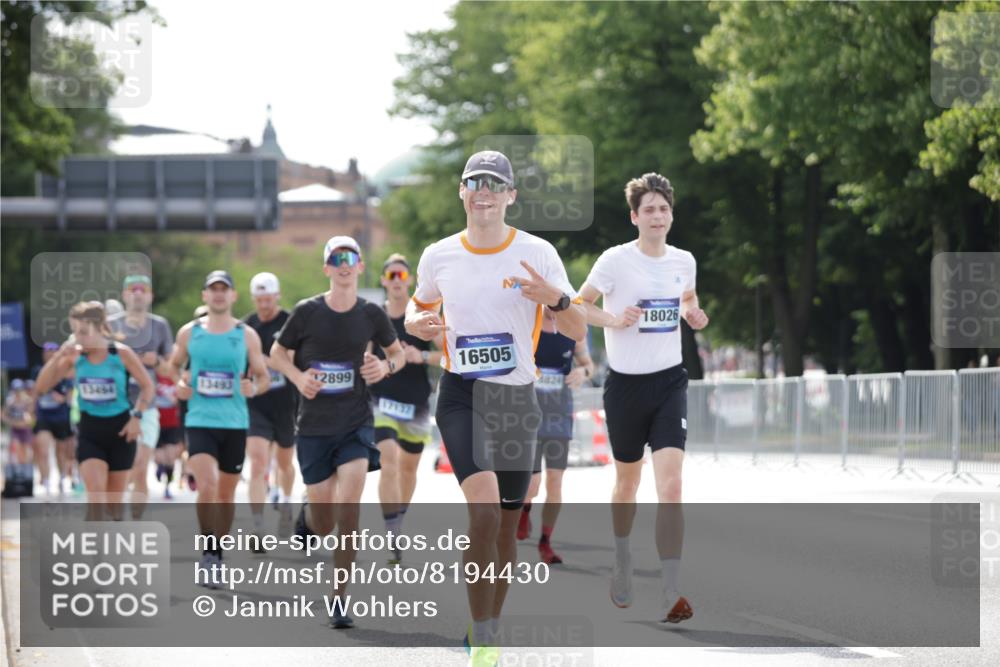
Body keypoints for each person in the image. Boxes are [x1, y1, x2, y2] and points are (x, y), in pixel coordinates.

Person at [405, 150, 586, 662]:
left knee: (507, 524)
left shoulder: (537, 253)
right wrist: (416, 325)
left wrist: (556, 298)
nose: (483, 190)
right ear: (461, 192)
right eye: (473, 181)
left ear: (510, 196)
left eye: (495, 183)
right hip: (462, 393)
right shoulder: (438, 255)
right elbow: (417, 315)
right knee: (482, 514)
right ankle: (482, 637)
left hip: (515, 399)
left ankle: (487, 624)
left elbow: (575, 331)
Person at [578, 172, 708, 624]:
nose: (657, 216)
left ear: (672, 215)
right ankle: (622, 559)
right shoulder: (615, 261)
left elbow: (687, 297)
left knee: (671, 484)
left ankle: (670, 589)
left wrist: (693, 313)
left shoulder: (683, 261)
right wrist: (612, 320)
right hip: (626, 387)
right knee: (628, 483)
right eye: (648, 209)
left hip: (670, 382)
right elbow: (579, 305)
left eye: (663, 208)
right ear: (635, 217)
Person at [270, 235, 406, 629]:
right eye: (336, 257)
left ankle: (339, 599)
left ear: (361, 266)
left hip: (355, 424)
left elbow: (395, 353)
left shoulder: (371, 313)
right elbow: (278, 354)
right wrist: (298, 378)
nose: (344, 263)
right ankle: (308, 519)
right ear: (327, 267)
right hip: (313, 427)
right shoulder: (307, 311)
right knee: (325, 520)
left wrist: (385, 367)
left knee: (349, 510)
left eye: (351, 257)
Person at [170, 270, 270, 588]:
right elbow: (173, 366)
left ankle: (219, 551)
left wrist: (252, 388)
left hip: (235, 422)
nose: (217, 294)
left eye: (223, 289)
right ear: (204, 296)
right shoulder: (189, 333)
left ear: (233, 296)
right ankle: (209, 554)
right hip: (200, 419)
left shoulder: (246, 335)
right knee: (208, 485)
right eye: (212, 289)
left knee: (226, 494)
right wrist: (179, 384)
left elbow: (263, 376)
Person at [35, 302, 154, 519]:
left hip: (121, 432)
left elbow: (147, 386)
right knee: (96, 498)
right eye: (74, 332)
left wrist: (137, 416)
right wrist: (59, 356)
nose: (78, 337)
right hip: (91, 432)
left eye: (83, 332)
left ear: (99, 328)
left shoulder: (121, 354)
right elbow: (41, 387)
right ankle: (96, 551)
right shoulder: (75, 356)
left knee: (114, 506)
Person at [370, 253, 443, 564]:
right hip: (380, 399)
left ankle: (398, 520)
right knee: (388, 460)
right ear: (385, 282)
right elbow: (362, 352)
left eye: (402, 275)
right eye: (391, 276)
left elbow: (447, 355)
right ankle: (390, 530)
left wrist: (421, 357)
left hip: (414, 399)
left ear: (410, 280)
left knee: (409, 468)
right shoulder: (374, 316)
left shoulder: (423, 315)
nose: (397, 281)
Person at [517, 309, 595, 564]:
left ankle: (545, 542)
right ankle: (524, 510)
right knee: (532, 485)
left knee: (555, 482)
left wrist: (583, 373)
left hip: (559, 414)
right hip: (529, 415)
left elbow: (589, 365)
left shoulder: (573, 329)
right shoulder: (529, 323)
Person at [108, 274, 174, 519]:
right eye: (132, 289)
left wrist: (155, 361)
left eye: (142, 289)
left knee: (140, 464)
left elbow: (170, 369)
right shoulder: (111, 324)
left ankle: (135, 521)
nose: (137, 293)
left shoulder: (160, 325)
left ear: (150, 296)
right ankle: (116, 516)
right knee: (119, 467)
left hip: (147, 405)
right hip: (115, 405)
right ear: (124, 295)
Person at [242, 272, 298, 543]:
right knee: (257, 462)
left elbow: (296, 360)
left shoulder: (289, 322)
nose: (264, 304)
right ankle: (258, 525)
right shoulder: (246, 327)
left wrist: (268, 362)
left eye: (268, 299)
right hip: (256, 403)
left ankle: (286, 502)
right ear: (254, 298)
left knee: (285, 463)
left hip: (286, 404)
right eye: (259, 299)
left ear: (277, 296)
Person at [31, 342, 77, 495]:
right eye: (47, 352)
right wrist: (31, 410)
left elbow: (70, 394)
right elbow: (36, 390)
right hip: (43, 415)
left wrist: (63, 399)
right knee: (43, 450)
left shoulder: (66, 369)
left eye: (53, 351)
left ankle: (62, 479)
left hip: (61, 416)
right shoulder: (38, 370)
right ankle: (46, 483)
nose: (50, 354)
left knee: (61, 451)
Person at [153, 369, 183, 499]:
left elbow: (182, 399)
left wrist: (175, 398)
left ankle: (167, 487)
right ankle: (159, 466)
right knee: (160, 457)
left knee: (171, 457)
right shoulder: (154, 376)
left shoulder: (177, 378)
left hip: (172, 423)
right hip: (156, 422)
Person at [3, 379, 35, 466]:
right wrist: (12, 422)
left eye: (19, 389)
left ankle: (25, 468)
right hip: (15, 429)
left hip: (25, 429)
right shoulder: (10, 402)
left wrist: (26, 420)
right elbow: (3, 416)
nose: (17, 392)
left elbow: (30, 417)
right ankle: (18, 468)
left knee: (26, 450)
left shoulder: (28, 401)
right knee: (16, 447)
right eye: (15, 390)